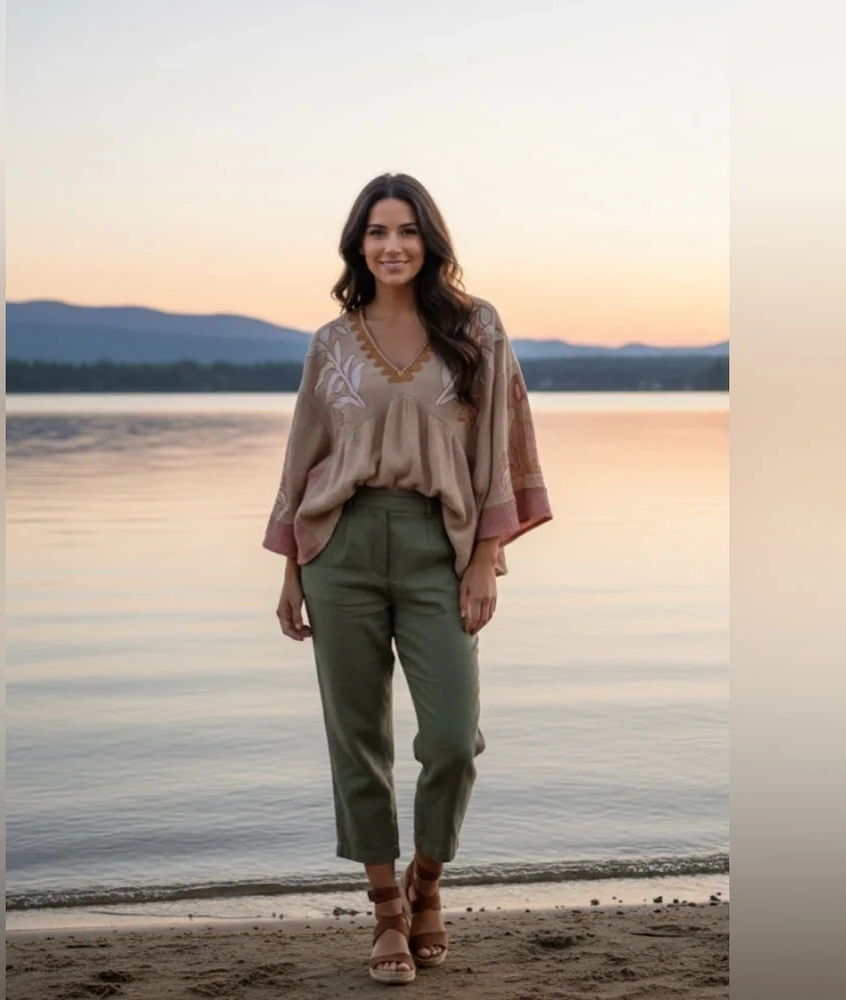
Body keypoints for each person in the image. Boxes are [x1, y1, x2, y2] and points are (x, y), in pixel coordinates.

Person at [263, 172, 552, 984]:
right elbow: (303, 458)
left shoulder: (476, 328)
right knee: (356, 739)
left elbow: (500, 440)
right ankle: (388, 909)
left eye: (407, 231)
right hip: (340, 550)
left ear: (431, 241)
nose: (392, 246)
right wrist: (292, 571)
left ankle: (430, 879)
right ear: (358, 245)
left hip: (438, 544)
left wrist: (486, 558)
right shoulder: (331, 342)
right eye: (377, 233)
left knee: (454, 740)